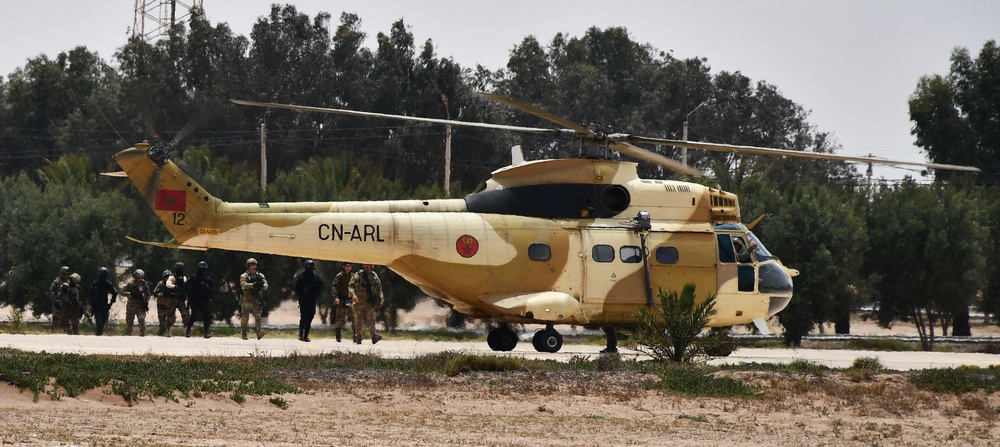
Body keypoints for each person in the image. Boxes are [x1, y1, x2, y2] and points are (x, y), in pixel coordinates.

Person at [349, 263, 384, 344]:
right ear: (363, 265)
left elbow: (379, 288)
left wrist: (381, 299)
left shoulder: (374, 276)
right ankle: (358, 336)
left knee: (371, 318)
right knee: (359, 320)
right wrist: (353, 295)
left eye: (369, 265)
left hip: (369, 301)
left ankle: (373, 336)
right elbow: (350, 286)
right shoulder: (357, 275)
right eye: (366, 265)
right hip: (359, 301)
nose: (367, 266)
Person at [293, 259, 324, 342]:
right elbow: (296, 288)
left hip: (312, 300)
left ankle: (306, 335)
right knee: (304, 316)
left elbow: (321, 287)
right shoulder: (301, 277)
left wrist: (315, 289)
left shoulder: (316, 278)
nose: (310, 270)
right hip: (303, 300)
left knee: (310, 317)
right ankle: (301, 333)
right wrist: (302, 291)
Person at [238, 257, 268, 340]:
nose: (253, 266)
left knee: (258, 316)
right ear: (248, 266)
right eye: (251, 265)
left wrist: (261, 286)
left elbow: (266, 285)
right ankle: (244, 333)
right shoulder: (244, 276)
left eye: (254, 265)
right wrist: (253, 285)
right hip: (246, 299)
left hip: (256, 299)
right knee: (245, 318)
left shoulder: (260, 276)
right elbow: (243, 285)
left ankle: (259, 332)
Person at [183, 260, 215, 338]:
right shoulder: (194, 278)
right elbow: (186, 286)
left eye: (204, 270)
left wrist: (209, 292)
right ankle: (188, 329)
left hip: (205, 300)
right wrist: (190, 293)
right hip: (195, 299)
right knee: (194, 316)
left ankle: (206, 332)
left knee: (206, 316)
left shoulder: (208, 279)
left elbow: (213, 288)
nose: (202, 272)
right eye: (201, 270)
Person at [164, 262, 191, 337]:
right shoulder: (172, 277)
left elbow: (186, 285)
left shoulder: (184, 278)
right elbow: (168, 284)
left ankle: (187, 330)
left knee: (185, 314)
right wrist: (174, 287)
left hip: (180, 299)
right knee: (170, 316)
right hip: (172, 298)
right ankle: (168, 330)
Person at [89, 266, 118, 336]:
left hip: (105, 305)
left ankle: (99, 333)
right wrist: (92, 302)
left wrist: (110, 303)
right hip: (97, 305)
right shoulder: (95, 283)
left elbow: (114, 293)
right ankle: (99, 333)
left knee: (103, 321)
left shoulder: (108, 284)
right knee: (99, 322)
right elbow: (90, 294)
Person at [121, 269, 151, 336]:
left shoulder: (144, 284)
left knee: (141, 319)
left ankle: (142, 334)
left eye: (141, 278)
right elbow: (122, 292)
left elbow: (148, 294)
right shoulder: (130, 283)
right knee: (129, 322)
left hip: (140, 306)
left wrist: (145, 301)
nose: (139, 279)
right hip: (131, 305)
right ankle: (128, 334)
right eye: (138, 278)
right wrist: (130, 294)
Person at [330, 262, 355, 342]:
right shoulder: (340, 276)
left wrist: (356, 296)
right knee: (340, 318)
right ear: (344, 267)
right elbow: (334, 287)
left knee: (354, 317)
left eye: (350, 266)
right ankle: (338, 334)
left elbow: (357, 287)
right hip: (342, 299)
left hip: (350, 300)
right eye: (347, 266)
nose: (348, 268)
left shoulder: (353, 276)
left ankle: (356, 335)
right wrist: (336, 298)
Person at [50, 266, 70, 332]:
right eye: (63, 274)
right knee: (56, 317)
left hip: (66, 304)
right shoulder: (56, 282)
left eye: (66, 274)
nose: (64, 275)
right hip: (58, 303)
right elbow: (52, 292)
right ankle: (54, 331)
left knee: (66, 319)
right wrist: (55, 300)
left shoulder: (69, 282)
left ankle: (65, 330)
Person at [153, 269, 171, 336]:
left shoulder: (172, 284)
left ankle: (166, 331)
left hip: (169, 305)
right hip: (161, 304)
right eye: (166, 277)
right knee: (162, 321)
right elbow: (155, 293)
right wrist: (162, 294)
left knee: (171, 319)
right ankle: (161, 333)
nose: (167, 278)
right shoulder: (160, 284)